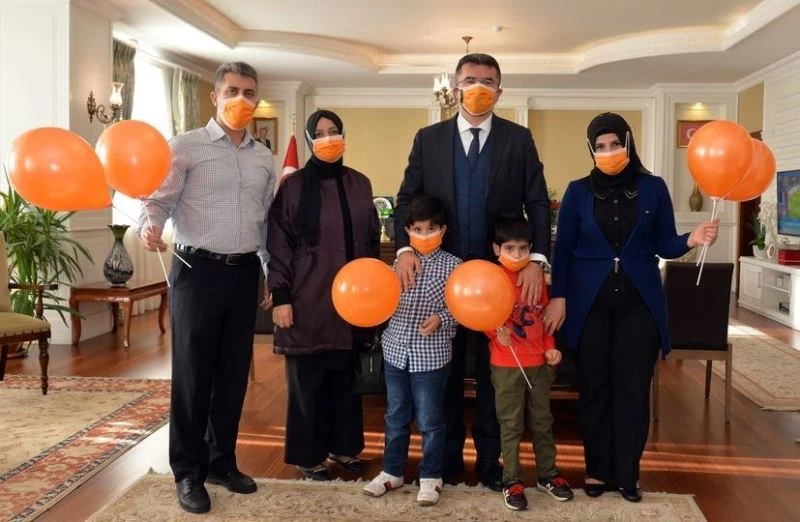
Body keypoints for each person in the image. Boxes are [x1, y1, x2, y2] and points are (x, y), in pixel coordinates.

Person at [394, 53, 551, 490]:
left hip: (498, 283)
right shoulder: (428, 139)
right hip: (438, 279)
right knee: (440, 374)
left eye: (487, 81)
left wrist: (538, 260)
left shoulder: (518, 140)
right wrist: (405, 248)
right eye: (469, 80)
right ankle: (441, 462)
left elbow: (538, 202)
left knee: (492, 375)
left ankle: (489, 463)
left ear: (500, 91)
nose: (478, 87)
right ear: (455, 88)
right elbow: (406, 199)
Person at [547, 112, 719, 502]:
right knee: (595, 388)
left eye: (615, 144)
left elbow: (665, 244)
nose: (608, 151)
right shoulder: (577, 191)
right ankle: (596, 470)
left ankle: (627, 474)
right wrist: (559, 296)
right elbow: (563, 251)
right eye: (600, 146)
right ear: (591, 150)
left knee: (632, 389)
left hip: (639, 304)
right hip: (589, 305)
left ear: (628, 143)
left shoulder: (653, 188)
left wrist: (691, 239)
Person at [139, 62, 276, 514]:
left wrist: (271, 274)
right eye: (232, 90)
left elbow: (267, 223)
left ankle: (221, 462)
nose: (241, 99)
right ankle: (188, 471)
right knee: (194, 376)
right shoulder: (185, 146)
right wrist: (148, 228)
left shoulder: (263, 157)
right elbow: (157, 201)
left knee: (233, 374)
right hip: (195, 270)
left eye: (249, 92)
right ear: (215, 96)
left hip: (244, 273)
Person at [267, 109, 381, 481]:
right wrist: (280, 296)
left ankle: (343, 447)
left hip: (352, 303)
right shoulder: (294, 186)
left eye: (334, 131)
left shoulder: (360, 184)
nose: (328, 138)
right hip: (306, 298)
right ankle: (308, 455)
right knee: (307, 383)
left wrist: (374, 293)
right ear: (309, 140)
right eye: (320, 133)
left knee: (345, 383)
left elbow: (371, 241)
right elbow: (278, 244)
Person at [363, 194, 461, 507]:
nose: (425, 234)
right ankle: (392, 471)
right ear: (408, 231)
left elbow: (464, 307)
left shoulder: (454, 266)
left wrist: (442, 319)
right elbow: (383, 299)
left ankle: (431, 476)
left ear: (442, 230)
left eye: (431, 229)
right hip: (395, 352)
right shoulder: (399, 262)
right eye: (418, 229)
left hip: (431, 356)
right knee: (395, 416)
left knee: (430, 420)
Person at [485, 216, 574, 511]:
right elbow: (481, 315)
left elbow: (543, 319)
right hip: (506, 365)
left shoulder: (535, 280)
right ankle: (511, 480)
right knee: (511, 425)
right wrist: (495, 332)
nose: (517, 254)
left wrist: (551, 348)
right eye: (510, 248)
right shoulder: (492, 279)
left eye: (523, 248)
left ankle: (548, 474)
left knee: (542, 422)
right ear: (496, 249)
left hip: (539, 365)